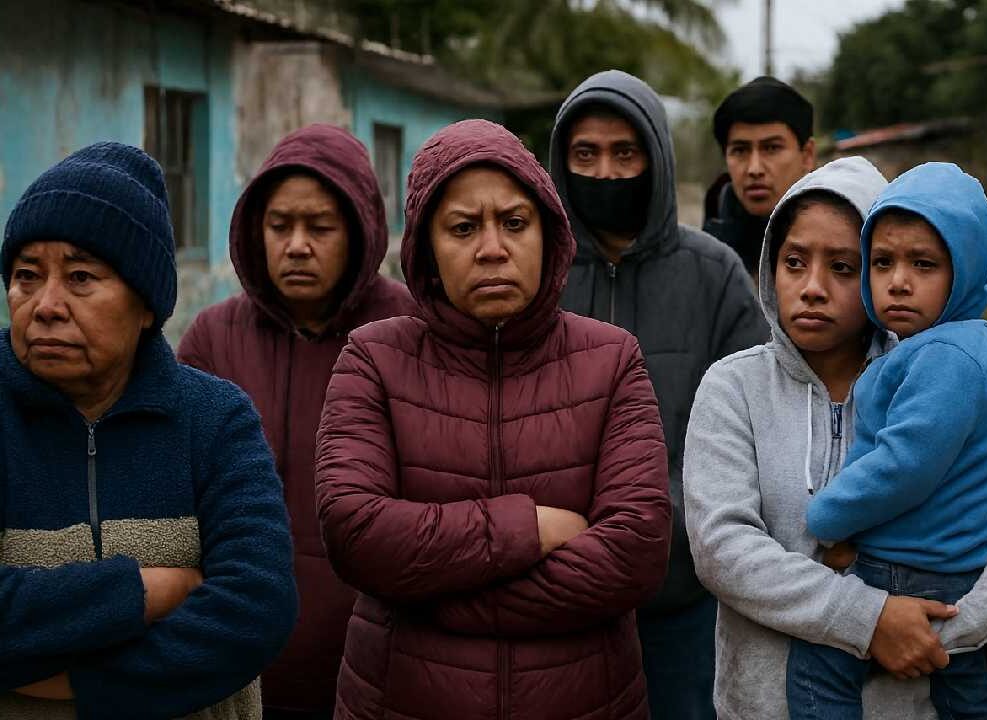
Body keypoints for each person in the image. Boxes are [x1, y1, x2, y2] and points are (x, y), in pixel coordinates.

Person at [314, 119, 672, 720]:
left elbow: (635, 553)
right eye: (462, 227)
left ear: (548, 233)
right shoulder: (373, 359)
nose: (492, 248)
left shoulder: (611, 361)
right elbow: (355, 532)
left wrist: (426, 593)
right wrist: (526, 529)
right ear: (425, 246)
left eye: (513, 222)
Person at [683, 156, 987, 720]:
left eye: (844, 267)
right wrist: (868, 619)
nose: (813, 288)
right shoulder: (734, 386)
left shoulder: (934, 380)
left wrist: (935, 638)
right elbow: (724, 549)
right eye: (794, 262)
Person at [0, 142, 297, 718]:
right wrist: (145, 592)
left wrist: (82, 687)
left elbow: (257, 610)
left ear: (145, 308)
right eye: (25, 276)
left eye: (82, 276)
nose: (45, 305)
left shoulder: (215, 420)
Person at [177, 124, 416, 720]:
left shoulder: (410, 333)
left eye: (320, 227)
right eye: (280, 226)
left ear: (360, 231)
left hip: (381, 665)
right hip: (237, 664)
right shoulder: (214, 338)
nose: (297, 245)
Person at [550, 69, 768, 719]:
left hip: (682, 604)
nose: (607, 172)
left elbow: (747, 433)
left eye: (626, 153)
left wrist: (646, 534)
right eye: (585, 155)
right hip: (554, 600)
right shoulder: (536, 274)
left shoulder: (714, 276)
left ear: (658, 159)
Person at [788, 163, 987, 720]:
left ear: (964, 272)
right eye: (882, 262)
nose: (899, 281)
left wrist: (830, 517)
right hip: (948, 564)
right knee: (965, 692)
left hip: (908, 565)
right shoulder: (947, 345)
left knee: (818, 669)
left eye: (924, 264)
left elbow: (904, 463)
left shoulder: (947, 357)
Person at [704, 76, 817, 282]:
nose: (754, 169)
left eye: (772, 148)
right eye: (740, 150)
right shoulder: (704, 257)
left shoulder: (847, 243)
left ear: (807, 155)